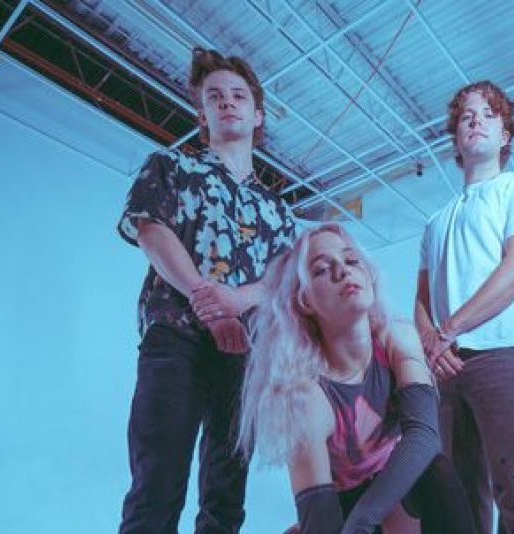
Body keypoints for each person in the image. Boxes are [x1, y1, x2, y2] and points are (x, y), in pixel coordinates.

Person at [117, 47, 295, 533]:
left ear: (258, 115)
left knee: (226, 493)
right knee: (157, 483)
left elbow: (284, 280)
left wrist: (238, 301)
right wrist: (207, 300)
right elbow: (150, 229)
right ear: (202, 115)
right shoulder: (171, 167)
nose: (227, 102)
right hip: (174, 339)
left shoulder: (279, 210)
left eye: (238, 95)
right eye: (215, 96)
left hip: (245, 356)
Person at [237, 223, 475, 534]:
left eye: (351, 260)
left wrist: (364, 521)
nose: (342, 271)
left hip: (395, 489)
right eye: (322, 270)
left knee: (437, 470)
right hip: (345, 505)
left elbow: (424, 436)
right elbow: (320, 515)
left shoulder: (397, 337)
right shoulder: (305, 395)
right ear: (304, 301)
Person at [414, 81, 514, 534]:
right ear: (456, 138)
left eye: (489, 115)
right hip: (445, 366)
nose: (476, 120)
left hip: (503, 355)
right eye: (466, 116)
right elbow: (421, 300)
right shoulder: (434, 221)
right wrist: (432, 345)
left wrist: (448, 329)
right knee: (453, 501)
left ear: (505, 135)